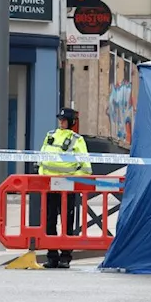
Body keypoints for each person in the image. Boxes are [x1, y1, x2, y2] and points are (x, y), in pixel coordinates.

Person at [38, 108, 91, 269]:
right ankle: (52, 256)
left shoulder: (77, 139)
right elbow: (42, 157)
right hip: (49, 184)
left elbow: (85, 165)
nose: (61, 122)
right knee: (49, 221)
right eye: (60, 120)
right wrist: (42, 176)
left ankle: (66, 256)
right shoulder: (50, 135)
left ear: (71, 122)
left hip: (68, 186)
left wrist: (76, 180)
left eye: (64, 120)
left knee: (67, 222)